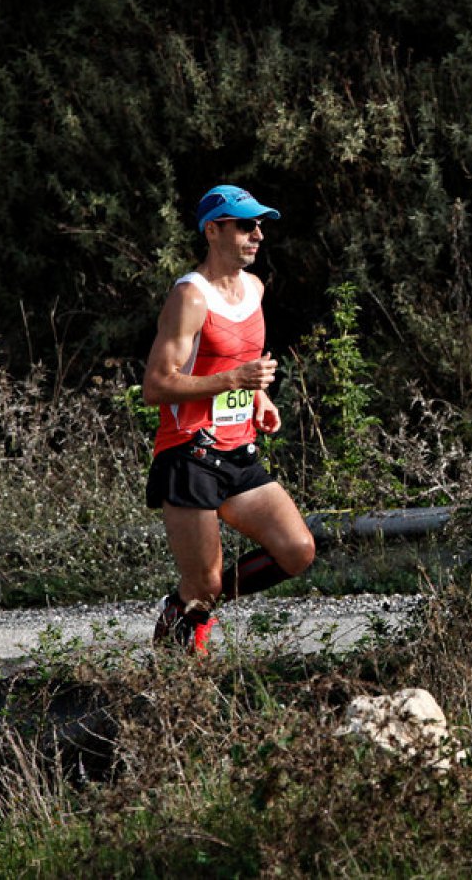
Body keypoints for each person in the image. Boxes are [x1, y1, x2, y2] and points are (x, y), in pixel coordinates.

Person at [142, 184, 316, 653]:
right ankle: (181, 647)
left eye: (259, 225)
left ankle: (189, 609)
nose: (257, 234)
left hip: (238, 452)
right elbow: (155, 386)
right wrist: (234, 381)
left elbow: (242, 358)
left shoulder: (254, 288)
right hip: (189, 454)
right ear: (213, 231)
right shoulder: (190, 297)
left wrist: (259, 397)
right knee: (204, 582)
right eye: (244, 225)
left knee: (297, 550)